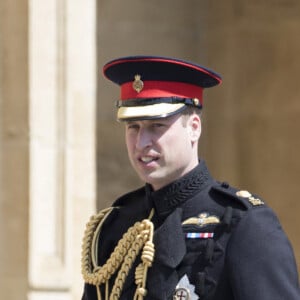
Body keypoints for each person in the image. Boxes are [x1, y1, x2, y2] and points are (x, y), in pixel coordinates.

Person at [81, 55, 300, 300]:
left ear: (194, 127)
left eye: (157, 126)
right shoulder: (116, 225)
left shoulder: (244, 224)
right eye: (133, 127)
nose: (141, 142)